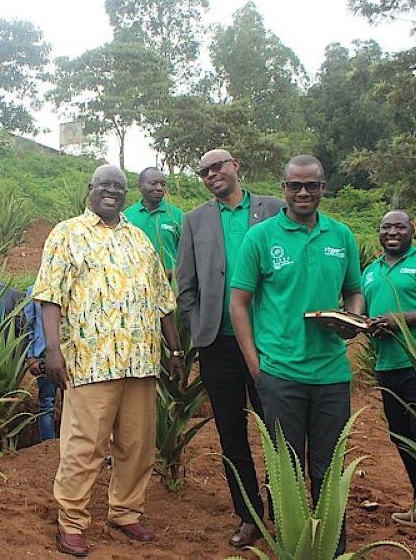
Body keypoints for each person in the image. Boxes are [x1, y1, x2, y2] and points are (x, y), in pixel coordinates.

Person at [33, 164, 186, 557]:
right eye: (105, 185)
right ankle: (71, 520)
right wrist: (52, 351)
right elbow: (49, 295)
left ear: (125, 194)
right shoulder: (67, 233)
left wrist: (175, 349)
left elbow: (162, 299)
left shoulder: (139, 239)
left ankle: (125, 511)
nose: (111, 192)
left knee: (137, 445)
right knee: (85, 444)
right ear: (91, 189)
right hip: (90, 360)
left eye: (118, 187)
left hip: (140, 361)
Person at [230, 155, 363, 554]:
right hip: (280, 372)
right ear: (283, 188)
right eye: (295, 186)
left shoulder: (341, 236)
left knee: (328, 469)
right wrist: (256, 367)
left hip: (331, 373)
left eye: (312, 185)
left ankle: (330, 548)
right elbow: (239, 303)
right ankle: (290, 545)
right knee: (285, 470)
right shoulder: (262, 237)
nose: (303, 192)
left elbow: (355, 290)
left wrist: (351, 318)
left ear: (323, 187)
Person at [176, 149, 284, 547]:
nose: (211, 174)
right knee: (230, 433)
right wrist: (197, 325)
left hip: (269, 342)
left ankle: (282, 508)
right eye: (203, 171)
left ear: (236, 165)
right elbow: (186, 285)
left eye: (217, 166)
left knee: (279, 430)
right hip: (218, 345)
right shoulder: (195, 220)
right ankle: (249, 514)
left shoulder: (274, 209)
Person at [362, 211, 416, 540]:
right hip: (386, 364)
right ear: (379, 233)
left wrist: (403, 318)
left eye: (400, 226)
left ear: (412, 230)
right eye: (386, 227)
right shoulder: (370, 272)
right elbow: (368, 311)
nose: (393, 232)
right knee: (400, 436)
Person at [123, 167, 184, 279]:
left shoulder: (177, 216)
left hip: (171, 287)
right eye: (153, 183)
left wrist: (174, 272)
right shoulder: (126, 216)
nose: (160, 188)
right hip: (136, 284)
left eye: (163, 184)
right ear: (140, 186)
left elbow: (191, 252)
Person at [23, 285, 57, 442]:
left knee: (76, 405)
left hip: (74, 354)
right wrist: (31, 355)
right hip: (45, 355)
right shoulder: (34, 290)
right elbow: (29, 324)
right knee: (47, 404)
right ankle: (48, 447)